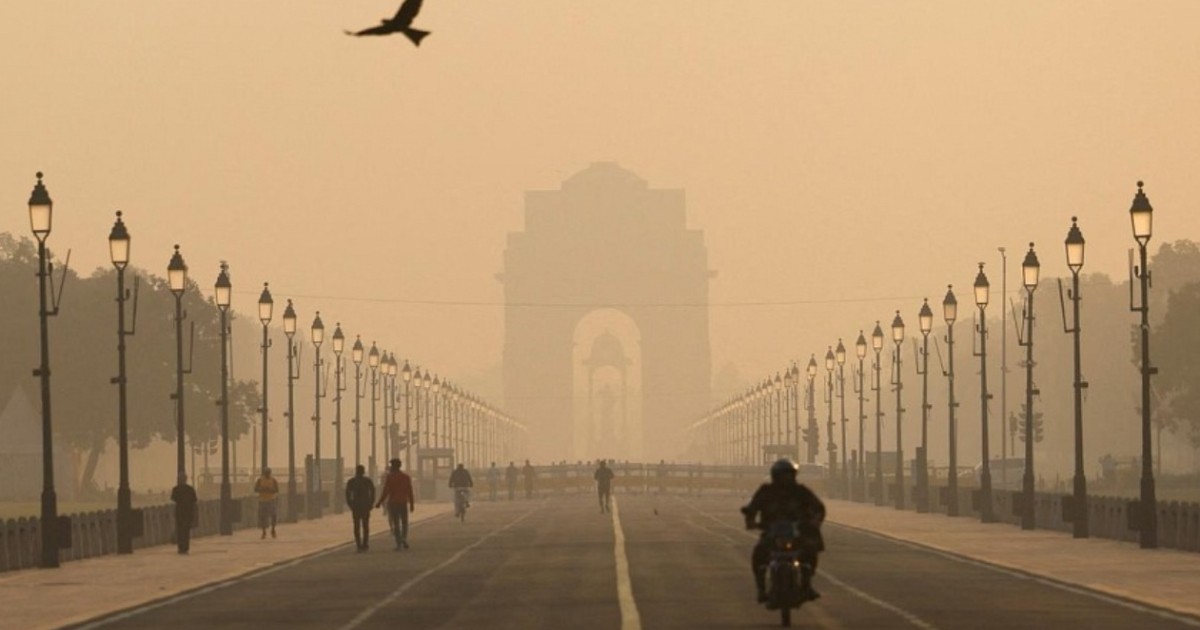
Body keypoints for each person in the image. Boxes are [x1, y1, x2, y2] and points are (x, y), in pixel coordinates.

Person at [741, 459, 826, 604]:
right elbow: (752, 507)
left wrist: (815, 521)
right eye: (782, 475)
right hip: (772, 533)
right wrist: (751, 521)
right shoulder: (766, 491)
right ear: (775, 476)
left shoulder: (801, 491)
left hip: (797, 533)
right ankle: (761, 589)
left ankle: (807, 583)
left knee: (810, 551)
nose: (785, 479)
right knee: (759, 555)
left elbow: (818, 507)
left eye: (788, 475)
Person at [375, 458, 415, 550]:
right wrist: (412, 503)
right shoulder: (406, 477)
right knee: (404, 522)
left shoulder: (390, 477)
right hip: (403, 502)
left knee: (396, 523)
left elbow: (386, 491)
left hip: (393, 503)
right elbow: (410, 491)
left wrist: (379, 502)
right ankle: (404, 538)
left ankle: (398, 542)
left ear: (393, 466)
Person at [345, 464, 376, 552]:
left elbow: (347, 494)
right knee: (365, 525)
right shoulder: (367, 481)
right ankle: (365, 544)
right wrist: (371, 503)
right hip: (365, 505)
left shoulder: (351, 481)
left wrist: (350, 504)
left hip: (356, 506)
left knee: (356, 526)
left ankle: (358, 544)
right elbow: (373, 492)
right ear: (363, 471)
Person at [171, 473, 198, 554]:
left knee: (180, 529)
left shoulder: (175, 489)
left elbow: (174, 499)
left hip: (179, 512)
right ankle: (185, 547)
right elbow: (194, 501)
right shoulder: (190, 489)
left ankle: (181, 547)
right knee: (186, 530)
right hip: (188, 512)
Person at [254, 467, 279, 539]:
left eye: (268, 473)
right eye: (266, 473)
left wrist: (270, 490)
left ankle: (273, 529)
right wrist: (262, 489)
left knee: (273, 516)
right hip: (262, 500)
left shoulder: (273, 480)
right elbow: (255, 489)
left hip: (271, 500)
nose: (267, 475)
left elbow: (276, 489)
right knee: (262, 517)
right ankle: (264, 531)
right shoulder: (260, 480)